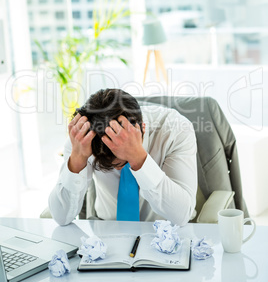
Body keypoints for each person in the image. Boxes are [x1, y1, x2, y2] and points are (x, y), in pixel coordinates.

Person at [49, 88, 197, 226]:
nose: (115, 168)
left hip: (164, 234)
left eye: (120, 163)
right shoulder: (83, 138)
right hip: (106, 232)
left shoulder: (175, 129)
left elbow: (182, 215)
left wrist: (138, 160)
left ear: (142, 130)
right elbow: (61, 217)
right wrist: (77, 160)